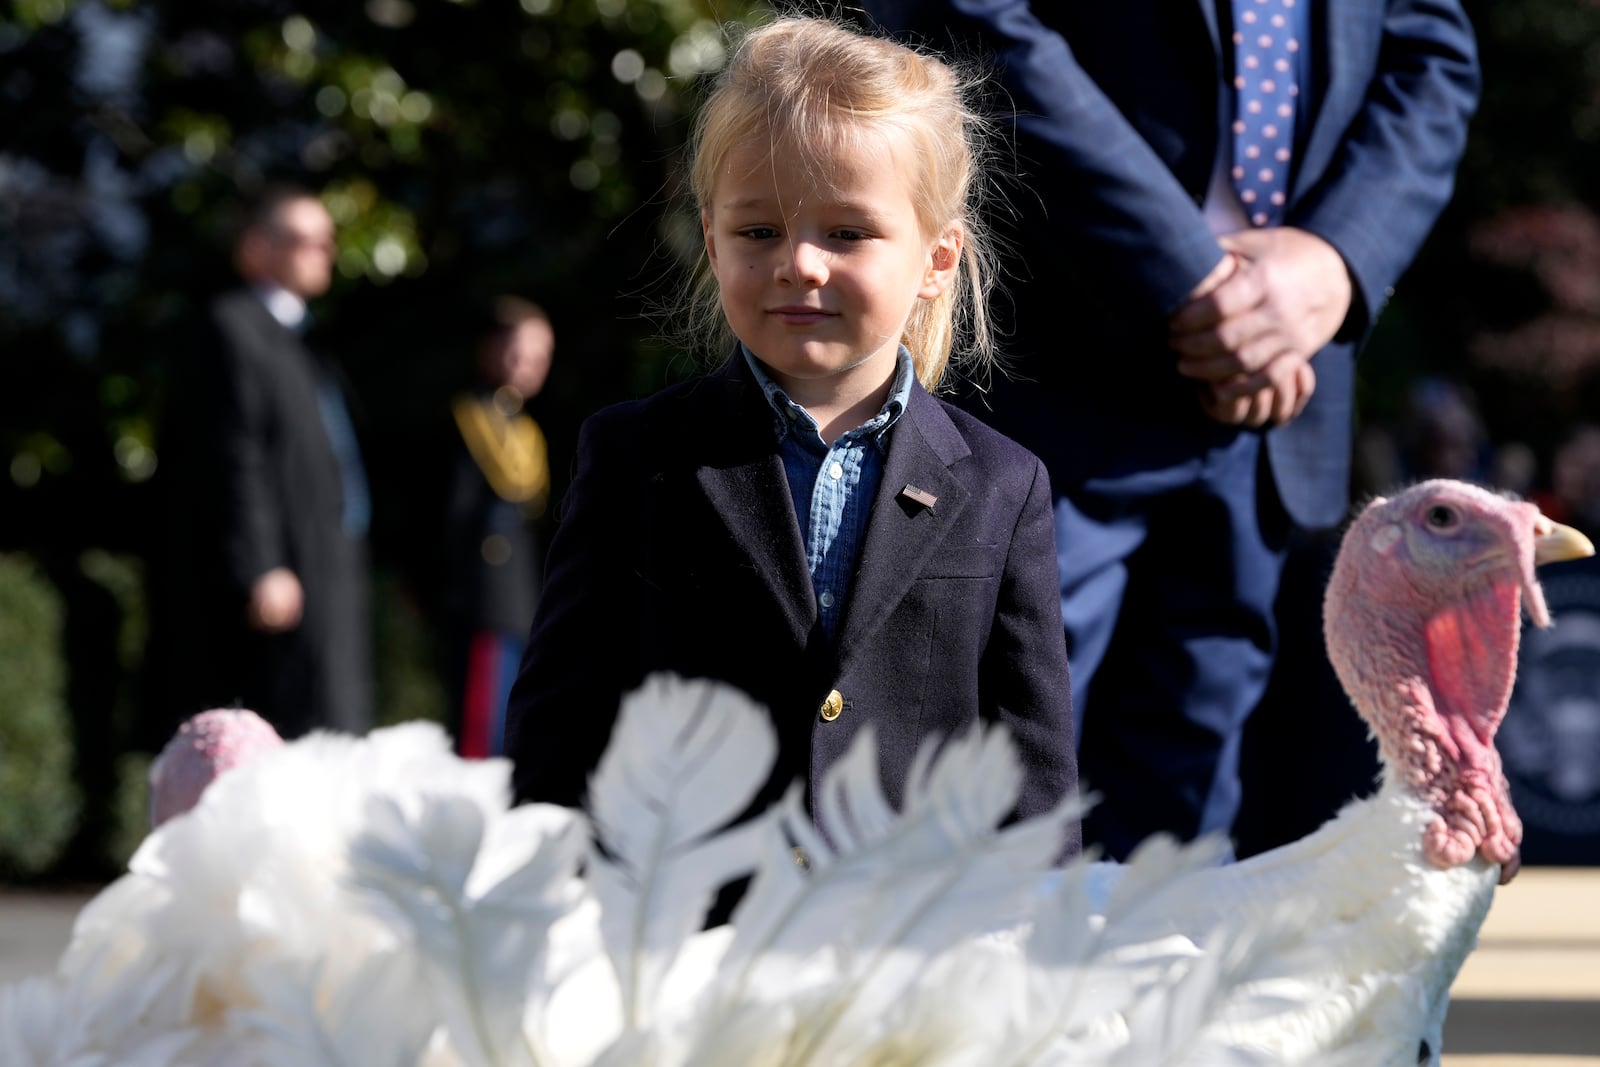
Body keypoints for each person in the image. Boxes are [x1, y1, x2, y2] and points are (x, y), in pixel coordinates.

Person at [861, 1, 1481, 861]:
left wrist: (1336, 262)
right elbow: (960, 15)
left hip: (1269, 410)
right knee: (979, 821)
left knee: (1180, 868)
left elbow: (1431, 53)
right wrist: (1198, 279)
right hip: (1044, 374)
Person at [503, 16, 1079, 869]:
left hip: (912, 952)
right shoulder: (638, 456)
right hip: (684, 944)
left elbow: (1032, 769)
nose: (799, 263)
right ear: (711, 239)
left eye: (847, 233)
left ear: (936, 257)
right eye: (759, 231)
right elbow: (562, 722)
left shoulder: (1003, 484)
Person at [152, 184, 373, 740]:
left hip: (328, 560)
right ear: (255, 247)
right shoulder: (233, 329)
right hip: (284, 574)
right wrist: (261, 565)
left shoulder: (304, 340)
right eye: (304, 240)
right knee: (290, 731)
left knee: (336, 727)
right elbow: (233, 456)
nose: (322, 252)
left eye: (327, 241)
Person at [438, 296, 555, 758]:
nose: (528, 366)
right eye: (517, 351)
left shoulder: (524, 429)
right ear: (489, 350)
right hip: (483, 598)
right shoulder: (467, 418)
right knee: (479, 739)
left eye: (540, 357)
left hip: (518, 600)